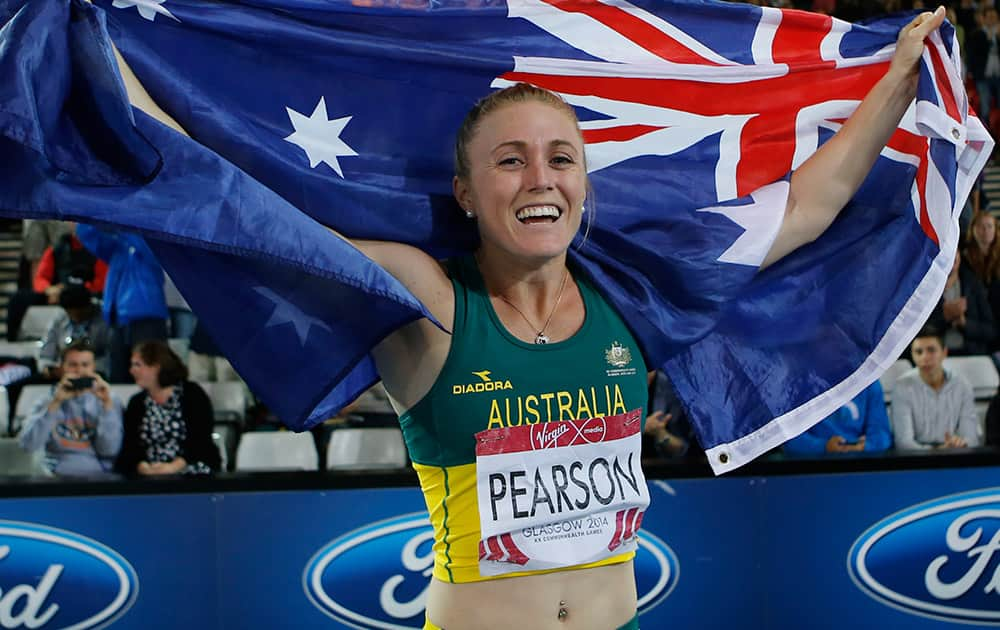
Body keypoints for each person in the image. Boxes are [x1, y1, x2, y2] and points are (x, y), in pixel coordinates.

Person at [112, 7, 945, 629]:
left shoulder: (630, 295)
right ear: (466, 193)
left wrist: (895, 82)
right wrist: (109, 62)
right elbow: (246, 212)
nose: (539, 179)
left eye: (561, 159)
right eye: (509, 161)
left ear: (586, 184)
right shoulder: (433, 307)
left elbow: (806, 204)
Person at [75, 225, 169, 383]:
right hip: (116, 320)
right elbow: (88, 234)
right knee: (118, 377)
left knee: (151, 377)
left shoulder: (158, 242)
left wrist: (121, 223)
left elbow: (147, 249)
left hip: (147, 320)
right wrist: (89, 210)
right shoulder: (119, 248)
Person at [114, 340, 221, 476]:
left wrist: (173, 467)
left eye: (137, 365)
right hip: (150, 473)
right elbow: (130, 447)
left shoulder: (193, 395)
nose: (131, 370)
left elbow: (201, 441)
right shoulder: (137, 403)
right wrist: (142, 466)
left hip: (191, 469)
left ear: (156, 367)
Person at [16, 340, 122, 477]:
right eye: (73, 365)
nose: (79, 371)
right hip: (56, 479)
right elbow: (28, 445)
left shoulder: (110, 400)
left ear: (94, 368)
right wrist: (55, 404)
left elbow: (109, 450)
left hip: (99, 478)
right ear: (61, 368)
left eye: (85, 365)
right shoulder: (46, 401)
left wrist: (107, 406)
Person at [891, 326, 981, 451]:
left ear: (944, 353)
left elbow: (971, 438)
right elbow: (903, 443)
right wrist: (937, 451)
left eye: (931, 350)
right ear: (912, 355)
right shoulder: (902, 386)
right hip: (916, 459)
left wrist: (961, 443)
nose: (924, 358)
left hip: (956, 454)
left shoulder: (962, 385)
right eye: (918, 352)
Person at [783, 380, 893, 455]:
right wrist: (824, 447)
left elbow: (881, 434)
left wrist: (866, 446)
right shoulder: (801, 383)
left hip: (861, 463)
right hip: (811, 466)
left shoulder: (870, 381)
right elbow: (790, 440)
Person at [37, 283, 112, 380]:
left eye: (80, 313)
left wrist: (83, 368)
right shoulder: (59, 319)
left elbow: (111, 358)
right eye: (70, 313)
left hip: (95, 373)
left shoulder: (105, 321)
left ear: (89, 306)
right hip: (63, 373)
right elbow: (45, 354)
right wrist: (48, 368)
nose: (76, 317)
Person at [927, 249, 996, 355]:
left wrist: (964, 323)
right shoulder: (926, 288)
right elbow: (915, 332)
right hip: (936, 357)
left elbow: (991, 331)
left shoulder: (974, 285)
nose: (952, 254)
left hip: (972, 356)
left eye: (955, 250)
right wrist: (944, 317)